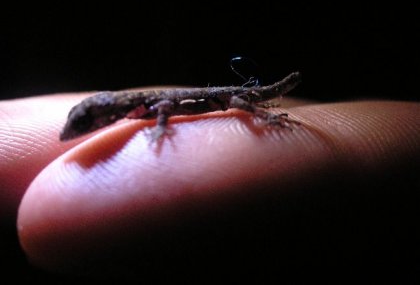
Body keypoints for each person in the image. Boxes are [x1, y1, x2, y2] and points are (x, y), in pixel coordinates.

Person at [1, 92, 419, 280]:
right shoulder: (134, 108)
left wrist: (162, 130)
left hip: (229, 98)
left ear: (106, 115)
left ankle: (269, 113)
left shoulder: (147, 105)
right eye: (84, 124)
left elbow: (165, 108)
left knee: (242, 109)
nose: (80, 131)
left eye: (86, 124)